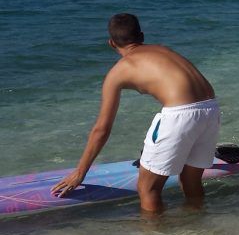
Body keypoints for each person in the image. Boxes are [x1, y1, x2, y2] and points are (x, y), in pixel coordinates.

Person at [51, 14, 221, 215]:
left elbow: (102, 129)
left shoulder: (120, 70)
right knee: (190, 180)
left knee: (148, 188)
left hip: (180, 114)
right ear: (141, 35)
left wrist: (80, 172)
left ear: (111, 43)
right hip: (211, 108)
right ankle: (198, 221)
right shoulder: (163, 50)